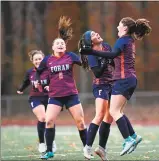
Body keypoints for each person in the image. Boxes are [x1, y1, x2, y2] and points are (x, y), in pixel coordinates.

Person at [80, 17, 152, 156]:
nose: (117, 27)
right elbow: (108, 62)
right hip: (126, 80)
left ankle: (128, 139)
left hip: (122, 79)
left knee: (113, 112)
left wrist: (91, 52)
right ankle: (133, 136)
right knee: (113, 112)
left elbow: (112, 55)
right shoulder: (129, 40)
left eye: (119, 25)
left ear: (125, 28)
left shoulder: (121, 40)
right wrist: (93, 54)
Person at [35, 16, 87, 159]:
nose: (60, 45)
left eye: (62, 43)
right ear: (52, 47)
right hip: (55, 96)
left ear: (65, 46)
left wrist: (86, 53)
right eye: (57, 43)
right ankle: (49, 151)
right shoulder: (48, 60)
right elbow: (38, 73)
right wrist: (41, 83)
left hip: (71, 95)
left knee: (81, 123)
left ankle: (86, 149)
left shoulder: (71, 56)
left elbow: (85, 64)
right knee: (49, 121)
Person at [78, 30, 114, 160]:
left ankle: (101, 149)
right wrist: (106, 58)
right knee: (99, 115)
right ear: (90, 42)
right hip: (101, 86)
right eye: (93, 35)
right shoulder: (91, 54)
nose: (97, 34)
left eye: (95, 32)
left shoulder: (107, 46)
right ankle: (87, 147)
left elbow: (113, 63)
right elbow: (98, 73)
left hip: (112, 85)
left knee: (109, 118)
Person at [17, 50, 56, 154]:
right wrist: (20, 89)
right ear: (32, 61)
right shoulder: (30, 72)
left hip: (49, 98)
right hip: (35, 98)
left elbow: (56, 81)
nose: (38, 61)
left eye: (40, 59)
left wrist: (50, 86)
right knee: (42, 118)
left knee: (50, 120)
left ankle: (51, 141)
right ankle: (42, 143)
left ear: (43, 59)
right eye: (36, 59)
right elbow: (25, 82)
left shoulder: (49, 70)